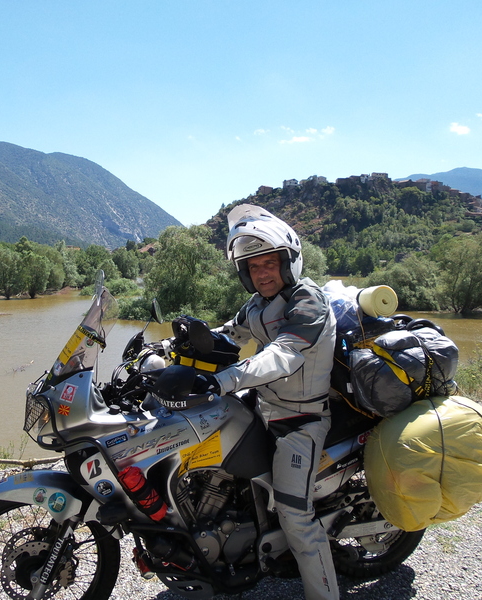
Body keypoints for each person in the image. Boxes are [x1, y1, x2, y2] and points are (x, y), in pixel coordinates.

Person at [193, 204, 339, 600]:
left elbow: (283, 355)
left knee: (295, 515)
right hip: (262, 408)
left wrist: (224, 380)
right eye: (253, 267)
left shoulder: (308, 301)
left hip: (301, 421)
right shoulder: (257, 304)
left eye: (269, 263)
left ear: (288, 261)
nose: (262, 272)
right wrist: (173, 347)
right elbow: (228, 335)